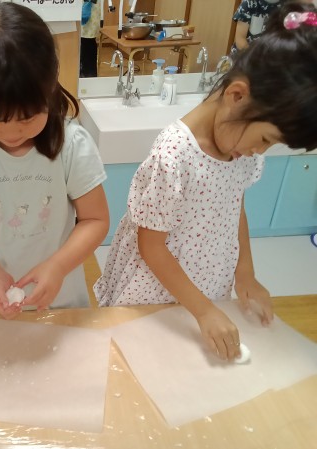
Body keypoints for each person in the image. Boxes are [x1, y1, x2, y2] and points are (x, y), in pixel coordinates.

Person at [94, 2, 317, 361]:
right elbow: (151, 246)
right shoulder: (174, 155)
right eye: (265, 139)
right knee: (143, 360)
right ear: (237, 96)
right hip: (158, 283)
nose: (260, 151)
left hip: (208, 276)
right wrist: (203, 311)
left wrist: (245, 272)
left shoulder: (240, 150)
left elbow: (235, 205)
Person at [0, 1, 110, 319]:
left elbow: (95, 220)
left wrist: (58, 266)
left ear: (50, 86)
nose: (11, 133)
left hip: (58, 300)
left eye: (27, 117)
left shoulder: (71, 144)